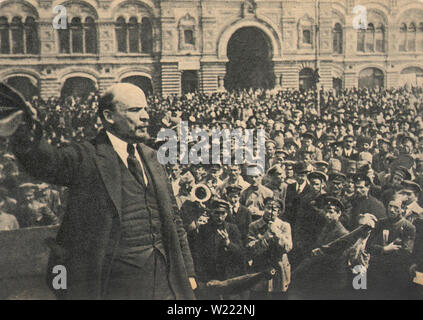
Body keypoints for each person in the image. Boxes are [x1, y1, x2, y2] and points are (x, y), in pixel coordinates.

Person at [10, 83, 197, 300]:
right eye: (135, 110)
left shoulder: (154, 158)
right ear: (109, 116)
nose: (146, 116)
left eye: (145, 109)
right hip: (114, 285)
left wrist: (189, 271)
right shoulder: (86, 156)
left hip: (166, 281)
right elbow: (47, 162)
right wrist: (23, 129)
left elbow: (174, 220)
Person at [189, 199, 245, 299]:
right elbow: (197, 253)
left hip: (228, 276)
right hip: (209, 277)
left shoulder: (232, 229)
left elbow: (241, 253)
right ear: (211, 212)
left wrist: (228, 243)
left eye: (222, 213)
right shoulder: (203, 229)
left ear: (227, 213)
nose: (219, 217)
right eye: (216, 213)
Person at [367, 198, 416, 299]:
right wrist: (384, 249)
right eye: (390, 206)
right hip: (377, 270)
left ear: (402, 209)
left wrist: (382, 250)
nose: (392, 210)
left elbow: (406, 251)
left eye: (396, 207)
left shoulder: (408, 227)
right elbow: (368, 246)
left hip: (395, 272)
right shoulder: (381, 223)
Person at [247, 197, 292, 299]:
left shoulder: (285, 226)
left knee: (278, 295)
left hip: (279, 268)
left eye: (274, 210)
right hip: (260, 267)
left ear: (279, 212)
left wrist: (277, 233)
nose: (270, 212)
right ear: (264, 208)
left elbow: (288, 247)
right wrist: (265, 237)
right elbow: (251, 249)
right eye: (268, 207)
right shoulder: (254, 226)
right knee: (258, 295)